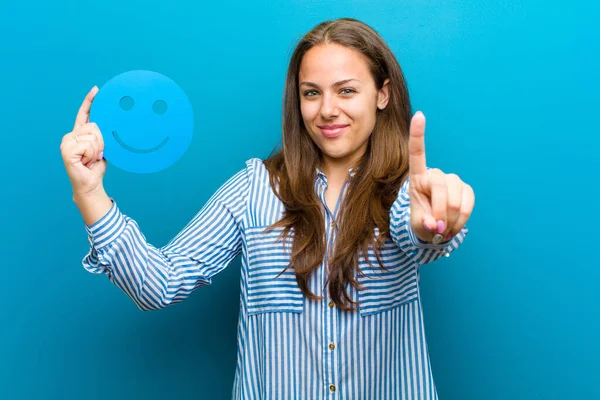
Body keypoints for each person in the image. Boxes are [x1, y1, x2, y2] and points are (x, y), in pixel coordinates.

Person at [60, 18, 474, 400]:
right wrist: (90, 191)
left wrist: (432, 226)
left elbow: (421, 234)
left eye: (346, 90)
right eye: (312, 93)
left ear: (382, 94)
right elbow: (158, 284)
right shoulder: (253, 189)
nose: (327, 109)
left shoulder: (408, 192)